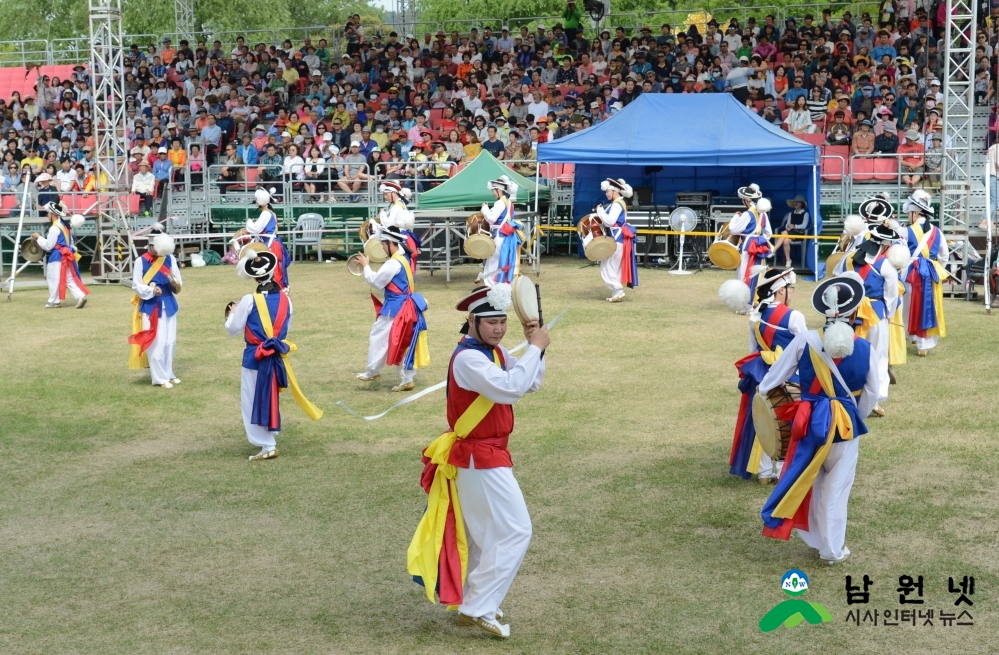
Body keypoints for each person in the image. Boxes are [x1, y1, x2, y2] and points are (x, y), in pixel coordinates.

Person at [407, 283, 548, 639]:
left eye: (503, 321)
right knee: (517, 530)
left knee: (488, 535)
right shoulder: (470, 358)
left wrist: (537, 352)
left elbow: (530, 383)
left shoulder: (493, 353)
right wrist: (535, 348)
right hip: (478, 456)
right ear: (472, 322)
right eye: (491, 322)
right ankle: (478, 607)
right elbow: (510, 388)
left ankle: (478, 599)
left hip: (483, 455)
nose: (499, 328)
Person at [759, 272, 878, 565]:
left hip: (810, 423)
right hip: (846, 427)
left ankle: (814, 537)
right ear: (853, 310)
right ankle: (832, 549)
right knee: (838, 488)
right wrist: (853, 416)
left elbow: (771, 380)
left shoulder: (805, 341)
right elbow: (874, 393)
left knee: (811, 481)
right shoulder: (866, 348)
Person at [224, 251, 323, 460]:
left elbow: (233, 329)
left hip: (255, 356)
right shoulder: (288, 301)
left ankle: (267, 444)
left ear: (254, 277)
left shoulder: (248, 300)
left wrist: (231, 315)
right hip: (276, 355)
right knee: (269, 396)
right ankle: (269, 436)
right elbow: (285, 329)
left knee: (251, 400)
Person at [720, 268, 806, 483]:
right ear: (780, 291)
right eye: (790, 289)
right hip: (789, 374)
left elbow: (753, 349)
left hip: (760, 372)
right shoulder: (794, 316)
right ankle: (782, 469)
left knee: (762, 420)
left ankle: (764, 471)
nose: (792, 293)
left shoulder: (756, 315)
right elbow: (806, 350)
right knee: (787, 420)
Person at [354, 225, 430, 392]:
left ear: (390, 243)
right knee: (401, 341)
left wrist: (366, 266)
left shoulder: (393, 262)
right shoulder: (404, 258)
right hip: (404, 307)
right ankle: (406, 378)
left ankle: (373, 371)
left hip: (395, 309)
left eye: (383, 244)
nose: (381, 247)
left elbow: (376, 281)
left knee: (378, 338)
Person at [841, 224, 906, 417]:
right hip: (876, 315)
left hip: (852, 313)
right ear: (886, 246)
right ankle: (873, 400)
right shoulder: (885, 265)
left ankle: (850, 394)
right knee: (878, 357)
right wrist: (888, 314)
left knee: (852, 355)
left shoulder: (852, 258)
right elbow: (892, 296)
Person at [128, 226, 182, 388]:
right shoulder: (140, 261)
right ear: (150, 245)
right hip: (151, 305)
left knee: (170, 341)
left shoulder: (170, 259)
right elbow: (136, 285)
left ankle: (168, 373)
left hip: (169, 304)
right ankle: (159, 378)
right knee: (157, 342)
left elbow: (178, 281)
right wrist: (151, 290)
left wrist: (173, 283)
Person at [902, 189, 949, 357]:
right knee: (930, 307)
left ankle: (910, 336)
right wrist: (936, 267)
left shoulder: (906, 231)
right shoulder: (938, 232)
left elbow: (899, 255)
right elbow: (944, 255)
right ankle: (924, 345)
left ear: (915, 213)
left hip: (911, 272)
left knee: (908, 306)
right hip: (931, 272)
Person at [31, 202, 89, 309]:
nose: (47, 215)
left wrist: (38, 237)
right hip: (67, 255)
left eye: (48, 213)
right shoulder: (65, 226)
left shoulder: (54, 228)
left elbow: (49, 246)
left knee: (53, 278)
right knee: (69, 278)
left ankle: (54, 301)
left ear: (53, 214)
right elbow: (70, 242)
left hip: (57, 256)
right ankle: (80, 297)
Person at [595, 177, 639, 302]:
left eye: (607, 191)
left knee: (607, 266)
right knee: (613, 267)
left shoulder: (617, 204)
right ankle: (616, 293)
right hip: (618, 239)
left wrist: (599, 211)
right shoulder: (619, 203)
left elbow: (610, 221)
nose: (606, 193)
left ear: (614, 191)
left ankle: (618, 290)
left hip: (616, 239)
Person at [728, 184, 774, 303]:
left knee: (745, 272)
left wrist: (734, 218)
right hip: (759, 245)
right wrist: (760, 239)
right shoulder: (762, 213)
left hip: (748, 245)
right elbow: (768, 233)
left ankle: (745, 302)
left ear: (746, 201)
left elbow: (734, 230)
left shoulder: (748, 214)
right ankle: (755, 300)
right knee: (758, 272)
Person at [479, 176, 524, 287]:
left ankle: (491, 285)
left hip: (500, 236)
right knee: (502, 260)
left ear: (499, 190)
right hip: (507, 236)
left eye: (494, 191)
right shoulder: (509, 203)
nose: (493, 193)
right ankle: (501, 284)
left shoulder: (499, 203)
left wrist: (484, 208)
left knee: (494, 261)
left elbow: (491, 218)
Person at [245, 188, 291, 291]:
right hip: (270, 242)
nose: (255, 201)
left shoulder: (266, 213)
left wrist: (249, 223)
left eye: (257, 199)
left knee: (272, 267)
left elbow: (256, 228)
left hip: (271, 244)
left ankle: (276, 288)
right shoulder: (268, 212)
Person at [377, 180, 421, 272]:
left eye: (386, 194)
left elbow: (388, 224)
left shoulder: (396, 206)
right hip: (404, 237)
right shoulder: (400, 203)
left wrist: (382, 214)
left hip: (401, 239)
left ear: (393, 193)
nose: (385, 197)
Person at [773, 195, 809, 268]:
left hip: (799, 233)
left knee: (784, 233)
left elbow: (804, 225)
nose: (796, 203)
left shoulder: (806, 214)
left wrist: (794, 226)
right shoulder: (790, 214)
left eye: (798, 202)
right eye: (795, 202)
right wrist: (788, 227)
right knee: (785, 241)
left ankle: (773, 250)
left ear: (802, 204)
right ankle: (788, 260)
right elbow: (787, 224)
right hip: (790, 232)